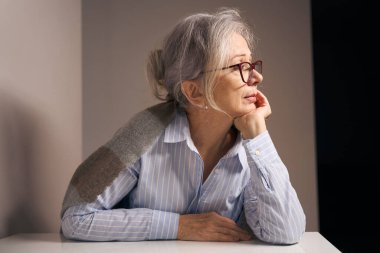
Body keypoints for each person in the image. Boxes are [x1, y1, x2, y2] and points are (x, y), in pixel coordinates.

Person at [60, 8, 306, 244]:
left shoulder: (252, 148)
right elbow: (76, 219)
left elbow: (286, 232)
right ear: (194, 92)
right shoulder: (143, 136)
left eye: (251, 64)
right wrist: (178, 226)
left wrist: (258, 136)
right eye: (238, 67)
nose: (256, 77)